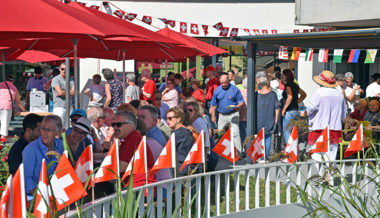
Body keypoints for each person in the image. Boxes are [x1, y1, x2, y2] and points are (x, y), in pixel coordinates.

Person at [307, 70, 346, 163]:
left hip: (319, 126)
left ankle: (320, 174)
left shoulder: (319, 92)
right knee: (331, 155)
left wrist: (307, 112)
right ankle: (330, 175)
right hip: (334, 127)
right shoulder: (339, 95)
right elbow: (343, 115)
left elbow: (310, 108)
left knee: (317, 153)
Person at [23, 115, 64, 200]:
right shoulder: (31, 149)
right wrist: (41, 198)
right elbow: (26, 177)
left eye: (48, 130)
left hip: (55, 194)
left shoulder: (61, 145)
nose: (44, 133)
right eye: (42, 128)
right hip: (33, 197)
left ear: (57, 132)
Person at [111, 111, 155, 187]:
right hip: (136, 187)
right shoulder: (129, 138)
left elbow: (120, 167)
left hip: (138, 189)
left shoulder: (133, 139)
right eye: (113, 124)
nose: (115, 127)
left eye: (118, 124)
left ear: (130, 125)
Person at [210, 73, 245, 155]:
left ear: (228, 81)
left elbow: (241, 101)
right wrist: (213, 115)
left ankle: (239, 153)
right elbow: (213, 104)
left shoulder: (234, 89)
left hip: (233, 113)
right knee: (219, 133)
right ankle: (219, 153)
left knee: (236, 134)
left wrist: (237, 107)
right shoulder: (217, 90)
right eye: (222, 83)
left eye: (225, 83)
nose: (224, 84)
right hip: (222, 115)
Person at [256, 77, 280, 162]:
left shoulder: (256, 94)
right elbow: (277, 107)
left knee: (259, 137)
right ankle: (265, 156)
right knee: (268, 137)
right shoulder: (273, 94)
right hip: (269, 117)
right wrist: (276, 119)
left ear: (260, 84)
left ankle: (260, 155)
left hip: (258, 118)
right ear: (267, 83)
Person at [281, 69, 306, 146]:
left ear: (286, 76)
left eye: (282, 76)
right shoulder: (295, 85)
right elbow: (304, 94)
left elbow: (290, 96)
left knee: (286, 131)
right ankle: (295, 149)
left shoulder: (288, 85)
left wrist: (284, 108)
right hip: (296, 111)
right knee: (294, 132)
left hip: (289, 111)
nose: (281, 77)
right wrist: (297, 101)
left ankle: (289, 150)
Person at [166, 108, 194, 176]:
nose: (167, 121)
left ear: (178, 119)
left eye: (170, 118)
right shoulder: (183, 131)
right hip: (185, 167)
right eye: (166, 118)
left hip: (181, 168)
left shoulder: (180, 133)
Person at [0, 75, 25, 142]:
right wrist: (23, 110)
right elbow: (18, 101)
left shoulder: (0, 84)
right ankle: (1, 144)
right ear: (12, 81)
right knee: (4, 126)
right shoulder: (14, 88)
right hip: (6, 107)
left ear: (5, 79)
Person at [52, 63, 74, 128]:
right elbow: (60, 92)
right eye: (62, 69)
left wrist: (62, 92)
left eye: (66, 69)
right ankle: (61, 138)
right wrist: (68, 93)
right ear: (59, 69)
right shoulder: (56, 79)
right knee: (59, 128)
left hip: (69, 107)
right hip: (59, 107)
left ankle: (65, 138)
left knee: (70, 127)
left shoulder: (71, 80)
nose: (64, 71)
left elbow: (74, 92)